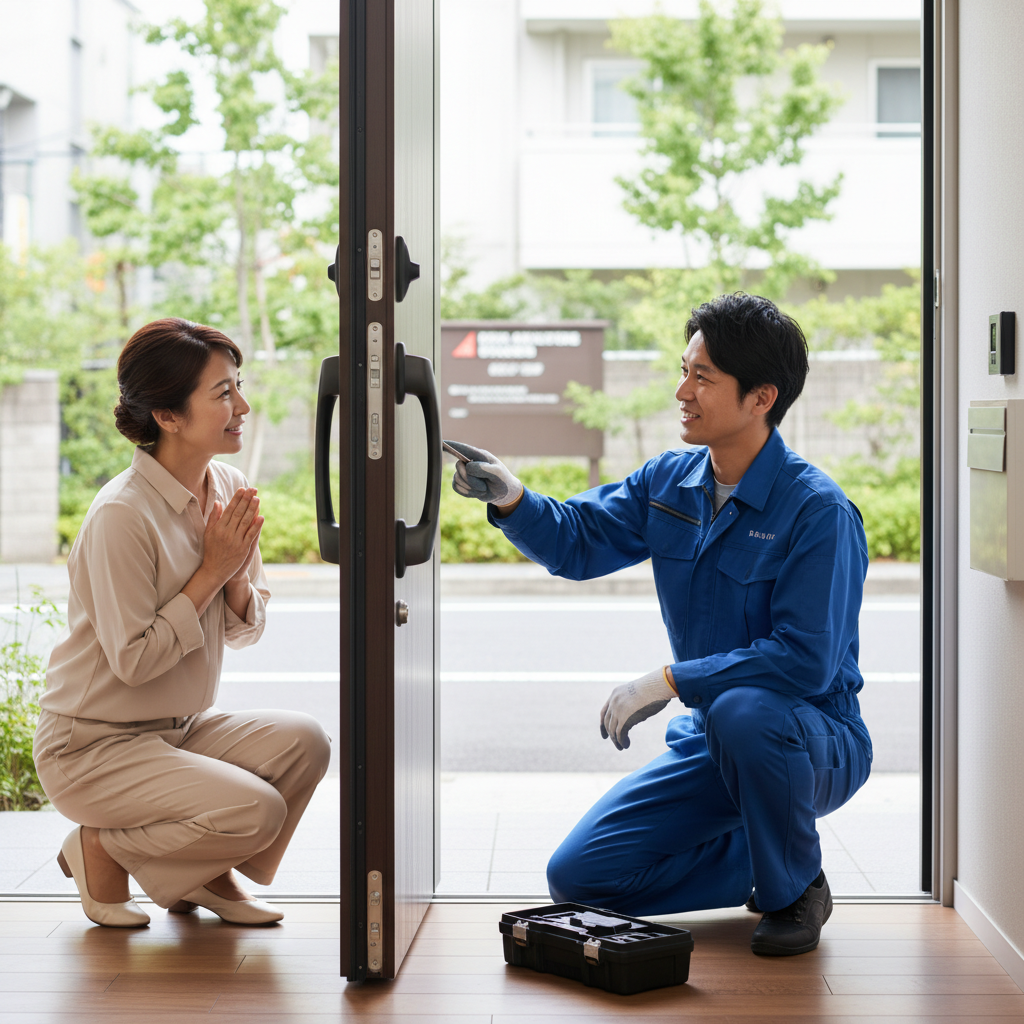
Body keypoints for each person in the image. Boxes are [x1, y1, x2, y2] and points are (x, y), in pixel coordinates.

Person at [448, 293, 872, 956]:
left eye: (703, 378)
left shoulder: (817, 512)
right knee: (581, 876)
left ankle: (794, 888)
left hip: (810, 740)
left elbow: (804, 661)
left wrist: (667, 681)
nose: (682, 391)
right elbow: (580, 542)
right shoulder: (670, 484)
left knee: (744, 711)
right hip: (715, 739)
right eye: (685, 370)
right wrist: (512, 497)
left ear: (761, 398)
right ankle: (772, 855)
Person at [33, 318, 331, 928]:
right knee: (257, 810)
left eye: (237, 386)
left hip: (177, 728)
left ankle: (199, 872)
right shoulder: (121, 515)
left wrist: (235, 572)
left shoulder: (227, 484)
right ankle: (99, 849)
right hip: (92, 745)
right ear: (168, 416)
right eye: (222, 393)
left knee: (306, 743)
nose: (242, 405)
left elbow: (246, 630)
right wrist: (211, 572)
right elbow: (135, 662)